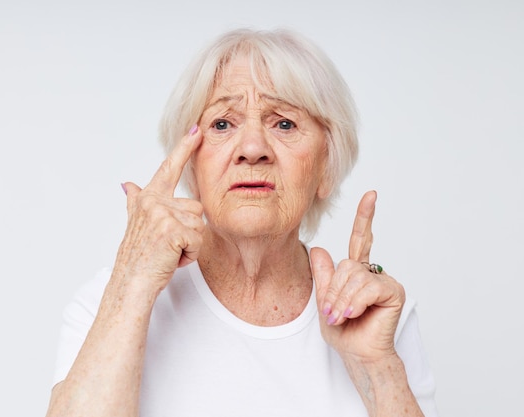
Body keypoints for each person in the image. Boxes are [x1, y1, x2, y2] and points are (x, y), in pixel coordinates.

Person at [45, 28, 438, 417]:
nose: (252, 149)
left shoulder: (381, 317)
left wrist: (378, 369)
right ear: (191, 165)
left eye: (284, 123)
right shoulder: (107, 302)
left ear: (326, 168)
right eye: (222, 124)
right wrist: (132, 283)